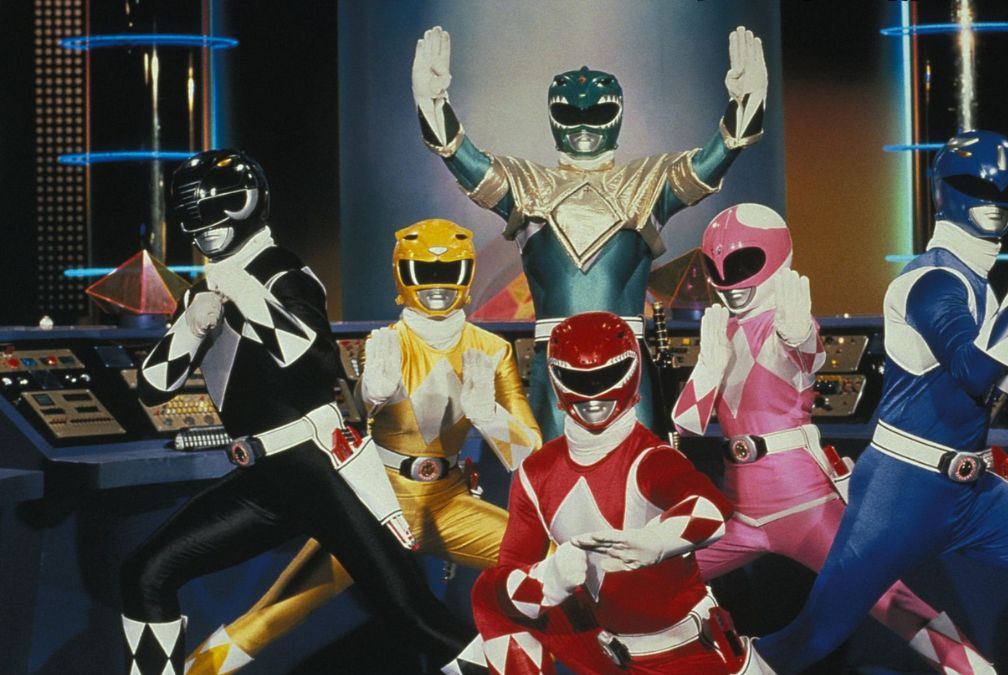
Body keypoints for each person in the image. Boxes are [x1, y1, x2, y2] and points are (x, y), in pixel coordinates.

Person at [756, 131, 1008, 675]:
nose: (995, 200)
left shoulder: (979, 285)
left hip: (970, 491)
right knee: (811, 638)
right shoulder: (931, 281)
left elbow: (987, 392)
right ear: (943, 190)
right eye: (977, 185)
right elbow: (974, 370)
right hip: (902, 492)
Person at [124, 151, 468, 675]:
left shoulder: (282, 272)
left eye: (219, 207)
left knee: (415, 617)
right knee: (146, 576)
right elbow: (152, 388)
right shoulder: (206, 288)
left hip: (322, 469)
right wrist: (191, 327)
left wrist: (245, 294)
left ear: (249, 203)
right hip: (267, 479)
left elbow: (318, 360)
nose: (206, 223)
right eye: (193, 212)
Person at [183, 218, 541, 674]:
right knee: (271, 616)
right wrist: (374, 393)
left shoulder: (492, 350)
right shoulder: (386, 343)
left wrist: (490, 417)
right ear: (403, 276)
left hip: (447, 504)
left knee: (555, 566)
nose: (437, 287)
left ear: (466, 274)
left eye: (448, 272)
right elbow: (365, 401)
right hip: (373, 502)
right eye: (424, 273)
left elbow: (531, 457)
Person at [673, 203, 994, 674]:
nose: (729, 281)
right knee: (652, 580)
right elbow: (687, 423)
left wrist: (800, 336)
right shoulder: (720, 329)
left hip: (804, 504)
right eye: (715, 267)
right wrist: (708, 365)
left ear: (775, 257)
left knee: (889, 599)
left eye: (741, 264)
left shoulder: (786, 322)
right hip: (740, 509)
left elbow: (806, 356)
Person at [412, 25, 767, 439]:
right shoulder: (527, 184)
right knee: (551, 473)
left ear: (617, 114)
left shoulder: (647, 181)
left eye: (596, 114)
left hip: (628, 364)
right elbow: (461, 157)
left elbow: (710, 162)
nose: (583, 126)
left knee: (641, 473)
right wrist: (432, 104)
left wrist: (746, 105)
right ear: (553, 117)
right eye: (570, 114)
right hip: (554, 366)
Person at [469, 312, 774, 674]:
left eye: (606, 377)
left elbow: (710, 508)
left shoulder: (650, 458)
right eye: (578, 379)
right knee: (490, 595)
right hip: (606, 650)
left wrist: (655, 541)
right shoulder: (536, 474)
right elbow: (505, 578)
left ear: (631, 372)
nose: (593, 396)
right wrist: (548, 579)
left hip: (687, 653)